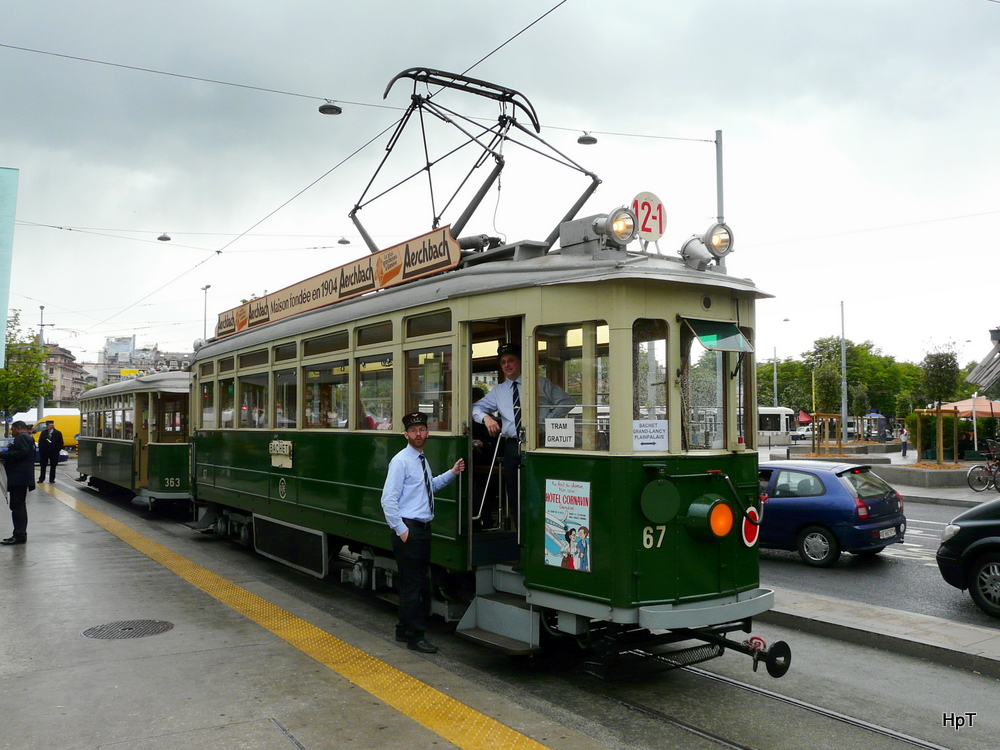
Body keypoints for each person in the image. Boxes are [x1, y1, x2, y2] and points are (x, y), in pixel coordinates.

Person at [380, 411, 465, 653]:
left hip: (420, 529)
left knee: (411, 583)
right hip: (411, 530)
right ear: (406, 434)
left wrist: (452, 473)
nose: (419, 434)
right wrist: (402, 530)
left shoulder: (420, 459)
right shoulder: (401, 461)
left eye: (422, 430)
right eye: (414, 430)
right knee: (415, 586)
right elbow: (388, 499)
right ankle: (415, 637)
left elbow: (429, 487)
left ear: (427, 433)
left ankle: (402, 629)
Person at [471, 343, 574, 510]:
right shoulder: (499, 391)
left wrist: (547, 422)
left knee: (540, 487)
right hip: (512, 445)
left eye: (511, 360)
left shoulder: (539, 383)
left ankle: (539, 528)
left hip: (539, 441)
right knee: (514, 492)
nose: (506, 365)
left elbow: (567, 401)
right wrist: (486, 418)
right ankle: (518, 530)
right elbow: (475, 408)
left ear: (521, 362)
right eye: (503, 362)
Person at [2, 421, 36, 545]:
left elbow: (21, 453)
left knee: (17, 506)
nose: (12, 431)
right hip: (20, 478)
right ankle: (18, 533)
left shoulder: (23, 437)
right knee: (17, 506)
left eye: (13, 429)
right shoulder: (26, 437)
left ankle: (20, 534)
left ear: (18, 428)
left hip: (19, 478)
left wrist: (3, 454)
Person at [37, 419, 64, 483]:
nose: (46, 426)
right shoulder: (43, 433)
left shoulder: (58, 433)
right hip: (44, 452)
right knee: (43, 465)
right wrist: (41, 449)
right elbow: (40, 442)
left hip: (54, 452)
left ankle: (52, 479)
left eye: (48, 425)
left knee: (53, 466)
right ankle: (41, 478)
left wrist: (57, 449)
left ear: (52, 426)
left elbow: (61, 442)